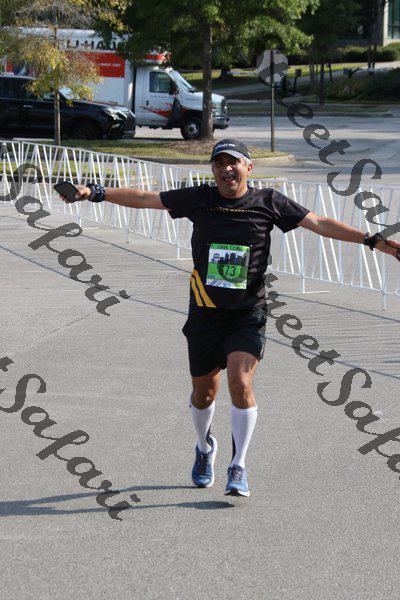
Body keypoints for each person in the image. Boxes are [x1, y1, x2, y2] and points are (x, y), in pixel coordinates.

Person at [58, 138, 400, 497]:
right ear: (213, 170)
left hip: (247, 312)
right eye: (219, 163)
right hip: (205, 312)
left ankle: (238, 465)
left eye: (233, 162)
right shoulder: (200, 198)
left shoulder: (269, 202)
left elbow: (319, 223)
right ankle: (204, 447)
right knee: (203, 394)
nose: (226, 169)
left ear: (248, 168)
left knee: (240, 382)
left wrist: (371, 240)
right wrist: (95, 192)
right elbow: (147, 198)